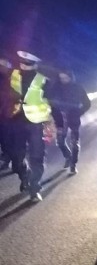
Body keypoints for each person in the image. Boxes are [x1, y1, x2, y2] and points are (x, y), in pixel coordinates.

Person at [2, 51, 54, 201]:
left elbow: (52, 103)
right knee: (16, 158)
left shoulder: (44, 81)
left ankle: (34, 187)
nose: (24, 65)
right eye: (22, 62)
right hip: (15, 122)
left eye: (28, 63)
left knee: (36, 157)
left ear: (35, 64)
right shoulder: (12, 75)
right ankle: (25, 177)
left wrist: (56, 122)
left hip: (36, 124)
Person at [45, 70, 91, 174]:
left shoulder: (78, 88)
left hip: (73, 119)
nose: (63, 80)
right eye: (61, 78)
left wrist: (79, 112)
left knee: (74, 143)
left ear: (70, 77)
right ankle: (68, 156)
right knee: (60, 142)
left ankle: (73, 164)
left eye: (66, 78)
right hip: (60, 119)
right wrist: (53, 112)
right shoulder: (55, 88)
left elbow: (87, 103)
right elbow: (50, 101)